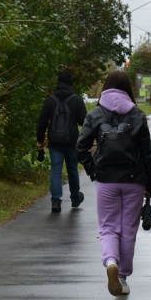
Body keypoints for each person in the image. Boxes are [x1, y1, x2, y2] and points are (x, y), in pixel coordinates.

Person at [77, 70, 151, 296]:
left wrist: (94, 171)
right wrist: (150, 185)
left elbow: (80, 148)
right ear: (127, 89)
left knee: (108, 227)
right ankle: (123, 277)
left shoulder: (95, 114)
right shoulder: (138, 115)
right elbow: (147, 154)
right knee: (128, 229)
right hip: (134, 181)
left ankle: (111, 261)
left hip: (106, 181)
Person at [36, 70, 88, 213]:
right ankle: (76, 197)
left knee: (56, 171)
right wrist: (85, 141)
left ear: (58, 82)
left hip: (55, 142)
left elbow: (42, 123)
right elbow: (85, 122)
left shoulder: (50, 101)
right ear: (70, 83)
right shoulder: (76, 100)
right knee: (72, 170)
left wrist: (40, 140)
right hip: (71, 142)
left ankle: (56, 201)